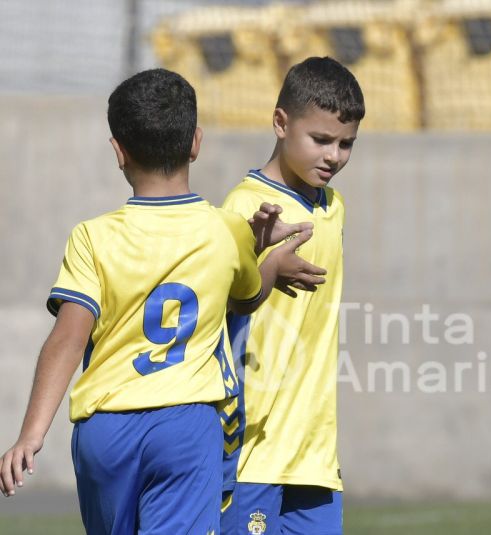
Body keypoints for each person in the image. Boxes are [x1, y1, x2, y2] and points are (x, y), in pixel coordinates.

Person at [0, 68, 315, 534]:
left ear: (118, 151)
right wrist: (267, 260)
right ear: (196, 143)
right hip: (186, 424)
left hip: (104, 430)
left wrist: (31, 432)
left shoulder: (92, 236)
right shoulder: (226, 230)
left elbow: (67, 338)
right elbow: (246, 299)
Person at [219, 56, 363, 535]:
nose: (334, 155)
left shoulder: (334, 207)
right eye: (321, 140)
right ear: (281, 123)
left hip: (314, 452)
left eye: (346, 144)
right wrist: (258, 264)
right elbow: (215, 311)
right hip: (251, 449)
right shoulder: (244, 207)